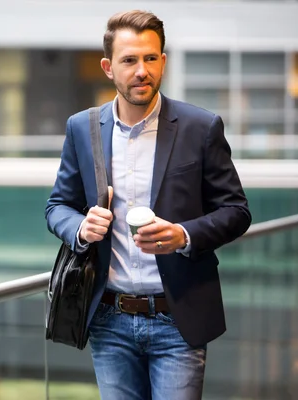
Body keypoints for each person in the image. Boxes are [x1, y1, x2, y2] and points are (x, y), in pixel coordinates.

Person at [45, 10, 251, 400]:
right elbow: (58, 206)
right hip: (108, 317)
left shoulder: (200, 127)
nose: (142, 70)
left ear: (163, 61)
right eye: (129, 60)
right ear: (108, 67)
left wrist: (184, 235)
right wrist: (80, 229)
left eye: (151, 58)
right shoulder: (82, 128)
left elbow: (236, 211)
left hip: (178, 318)